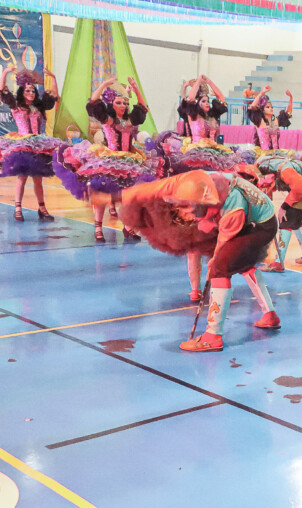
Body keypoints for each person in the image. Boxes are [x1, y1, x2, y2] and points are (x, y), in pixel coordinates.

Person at [120, 171, 280, 352]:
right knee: (242, 264)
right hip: (248, 218)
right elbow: (162, 186)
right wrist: (131, 194)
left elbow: (223, 241)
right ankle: (270, 315)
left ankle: (213, 336)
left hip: (261, 226)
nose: (184, 212)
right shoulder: (197, 180)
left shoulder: (232, 206)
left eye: (188, 207)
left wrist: (215, 263)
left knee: (220, 269)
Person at [56, 77, 156, 242]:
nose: (123, 106)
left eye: (125, 103)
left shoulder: (129, 121)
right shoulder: (108, 120)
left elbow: (142, 108)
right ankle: (98, 227)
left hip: (129, 161)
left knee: (131, 194)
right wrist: (103, 85)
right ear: (111, 104)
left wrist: (137, 89)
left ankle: (128, 227)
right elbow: (93, 102)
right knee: (102, 192)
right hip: (109, 161)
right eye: (119, 103)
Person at [0, 66, 62, 222]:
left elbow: (54, 96)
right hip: (23, 146)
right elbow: (2, 91)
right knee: (22, 178)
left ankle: (42, 208)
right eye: (27, 90)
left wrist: (53, 78)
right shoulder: (16, 106)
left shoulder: (38, 107)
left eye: (33, 91)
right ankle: (18, 208)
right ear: (22, 92)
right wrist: (5, 72)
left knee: (38, 179)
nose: (31, 93)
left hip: (39, 146)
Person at [256, 153, 302, 271]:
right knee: (295, 222)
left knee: (285, 220)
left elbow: (300, 190)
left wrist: (284, 207)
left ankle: (278, 263)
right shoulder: (277, 167)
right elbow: (270, 187)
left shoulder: (285, 171)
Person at [248, 85, 292, 151]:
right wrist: (261, 93)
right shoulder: (260, 121)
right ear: (263, 109)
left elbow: (288, 113)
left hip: (276, 152)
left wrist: (291, 98)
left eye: (271, 107)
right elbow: (252, 108)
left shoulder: (275, 121)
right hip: (264, 153)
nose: (271, 108)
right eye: (268, 107)